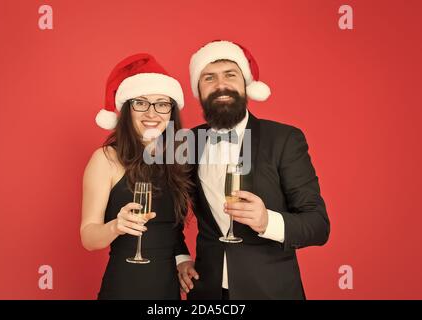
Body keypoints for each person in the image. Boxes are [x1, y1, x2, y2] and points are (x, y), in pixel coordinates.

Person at [176, 40, 330, 299]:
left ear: (246, 84)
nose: (220, 85)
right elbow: (169, 212)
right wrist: (180, 257)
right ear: (198, 91)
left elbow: (318, 224)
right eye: (209, 78)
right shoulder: (187, 142)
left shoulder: (284, 139)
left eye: (230, 75)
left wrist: (267, 221)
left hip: (270, 291)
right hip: (207, 292)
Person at [81, 53, 193, 299]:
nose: (152, 113)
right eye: (141, 103)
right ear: (126, 109)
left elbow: (172, 231)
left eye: (162, 104)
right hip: (124, 287)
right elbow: (88, 237)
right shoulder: (106, 159)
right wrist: (115, 226)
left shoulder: (176, 160)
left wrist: (183, 259)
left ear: (171, 111)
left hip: (168, 292)